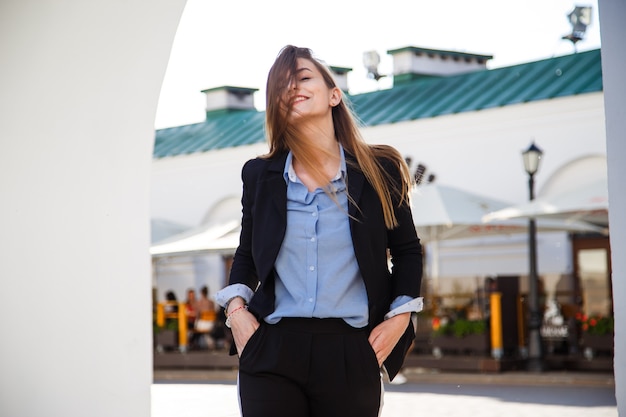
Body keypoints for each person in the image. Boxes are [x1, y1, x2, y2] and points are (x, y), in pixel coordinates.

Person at [215, 45, 423, 417]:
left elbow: (407, 251)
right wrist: (237, 313)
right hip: (272, 347)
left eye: (304, 77)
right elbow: (246, 253)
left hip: (351, 349)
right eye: (281, 85)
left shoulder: (382, 169)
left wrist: (400, 318)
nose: (292, 86)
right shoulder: (259, 175)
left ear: (334, 94)